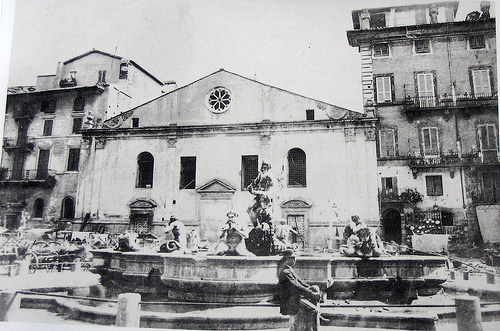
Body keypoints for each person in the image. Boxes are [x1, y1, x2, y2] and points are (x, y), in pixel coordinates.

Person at [276, 249, 322, 330]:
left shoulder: (290, 269)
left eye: (295, 257)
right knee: (313, 310)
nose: (295, 260)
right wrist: (311, 293)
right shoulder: (286, 272)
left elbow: (300, 282)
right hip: (290, 301)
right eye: (293, 258)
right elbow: (297, 286)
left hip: (295, 298)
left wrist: (310, 288)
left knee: (313, 303)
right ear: (287, 259)